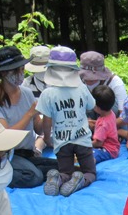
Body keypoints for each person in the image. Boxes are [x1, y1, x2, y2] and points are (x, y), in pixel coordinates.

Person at [0, 46, 58, 188]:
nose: (21, 73)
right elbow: (5, 136)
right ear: (4, 73)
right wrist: (29, 114)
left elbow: (38, 128)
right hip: (7, 154)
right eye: (18, 70)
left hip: (27, 152)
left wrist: (49, 114)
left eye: (23, 69)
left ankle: (31, 169)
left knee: (62, 166)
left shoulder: (26, 93)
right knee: (33, 177)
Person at [36, 46, 96, 198]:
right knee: (90, 172)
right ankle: (82, 179)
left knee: (66, 171)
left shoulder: (47, 93)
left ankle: (59, 177)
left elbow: (47, 121)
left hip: (62, 141)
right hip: (82, 139)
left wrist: (47, 138)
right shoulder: (82, 88)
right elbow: (91, 105)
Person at [91, 85, 121, 163]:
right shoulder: (111, 113)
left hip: (108, 150)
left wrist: (87, 144)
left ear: (97, 107)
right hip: (115, 147)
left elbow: (99, 143)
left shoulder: (102, 124)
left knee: (90, 155)